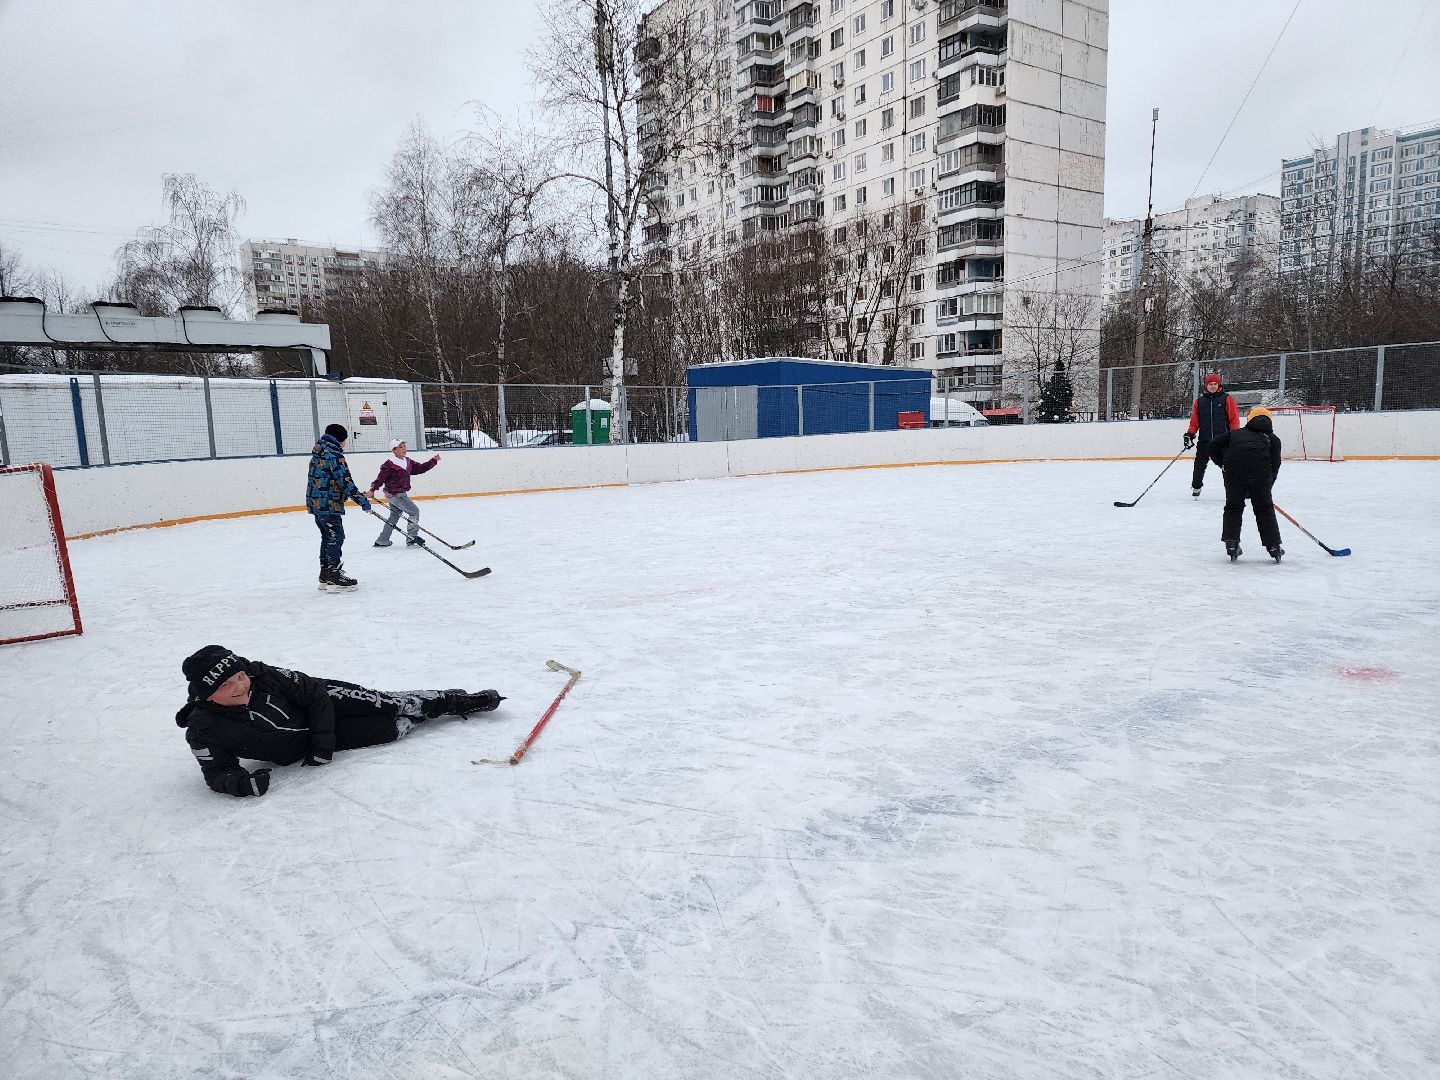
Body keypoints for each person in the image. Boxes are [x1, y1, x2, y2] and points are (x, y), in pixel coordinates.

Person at [175, 645, 505, 798]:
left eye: (240, 676)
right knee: (391, 730)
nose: (240, 686)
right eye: (226, 685)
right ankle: (420, 718)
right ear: (206, 694)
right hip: (310, 743)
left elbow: (313, 695)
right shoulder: (203, 729)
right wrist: (239, 784)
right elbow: (217, 770)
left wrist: (322, 742)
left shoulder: (264, 675)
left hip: (326, 700)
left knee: (389, 704)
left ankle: (454, 700)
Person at [1207, 406, 1284, 562]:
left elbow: (1212, 445)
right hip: (1260, 476)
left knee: (1233, 507)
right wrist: (1268, 484)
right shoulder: (1273, 439)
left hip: (1234, 475)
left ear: (1249, 420)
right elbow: (1275, 465)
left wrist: (1222, 464)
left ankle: (1231, 543)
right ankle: (1273, 546)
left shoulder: (1234, 434)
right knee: (1264, 509)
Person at [306, 423, 371, 591]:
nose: (345, 443)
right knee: (336, 536)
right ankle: (334, 575)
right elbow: (344, 481)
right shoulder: (334, 455)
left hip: (316, 502)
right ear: (340, 439)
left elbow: (326, 479)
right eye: (344, 440)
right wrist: (361, 500)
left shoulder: (318, 453)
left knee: (327, 537)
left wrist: (342, 496)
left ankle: (325, 575)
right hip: (328, 504)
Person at [367, 439, 441, 548]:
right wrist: (372, 490)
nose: (404, 449)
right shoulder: (389, 464)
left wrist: (433, 461)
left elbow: (420, 468)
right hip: (394, 494)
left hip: (400, 493)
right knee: (414, 511)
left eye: (404, 446)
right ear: (394, 450)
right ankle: (412, 539)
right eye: (400, 447)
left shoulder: (408, 461)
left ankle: (382, 540)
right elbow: (380, 479)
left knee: (394, 516)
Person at [1183, 372, 1240, 497]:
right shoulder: (1199, 402)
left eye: (1215, 384)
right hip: (1205, 440)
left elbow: (1234, 419)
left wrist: (1235, 435)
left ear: (1218, 385)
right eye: (1210, 384)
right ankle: (1196, 487)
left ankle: (1234, 490)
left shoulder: (1227, 398)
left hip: (1223, 440)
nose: (1213, 386)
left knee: (1228, 466)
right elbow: (1194, 422)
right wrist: (1189, 434)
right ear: (1206, 386)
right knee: (1199, 465)